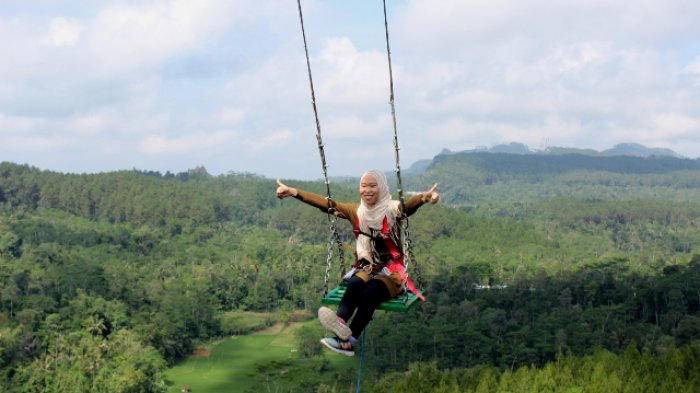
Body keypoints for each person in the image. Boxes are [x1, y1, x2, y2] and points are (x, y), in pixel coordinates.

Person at [275, 170, 439, 356]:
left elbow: (407, 207)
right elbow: (327, 204)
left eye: (372, 185)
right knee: (354, 284)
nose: (367, 190)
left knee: (370, 293)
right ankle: (340, 325)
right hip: (368, 267)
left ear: (382, 188)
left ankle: (348, 343)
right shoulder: (357, 211)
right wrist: (294, 192)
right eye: (363, 186)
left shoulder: (392, 209)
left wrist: (423, 198)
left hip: (392, 273)